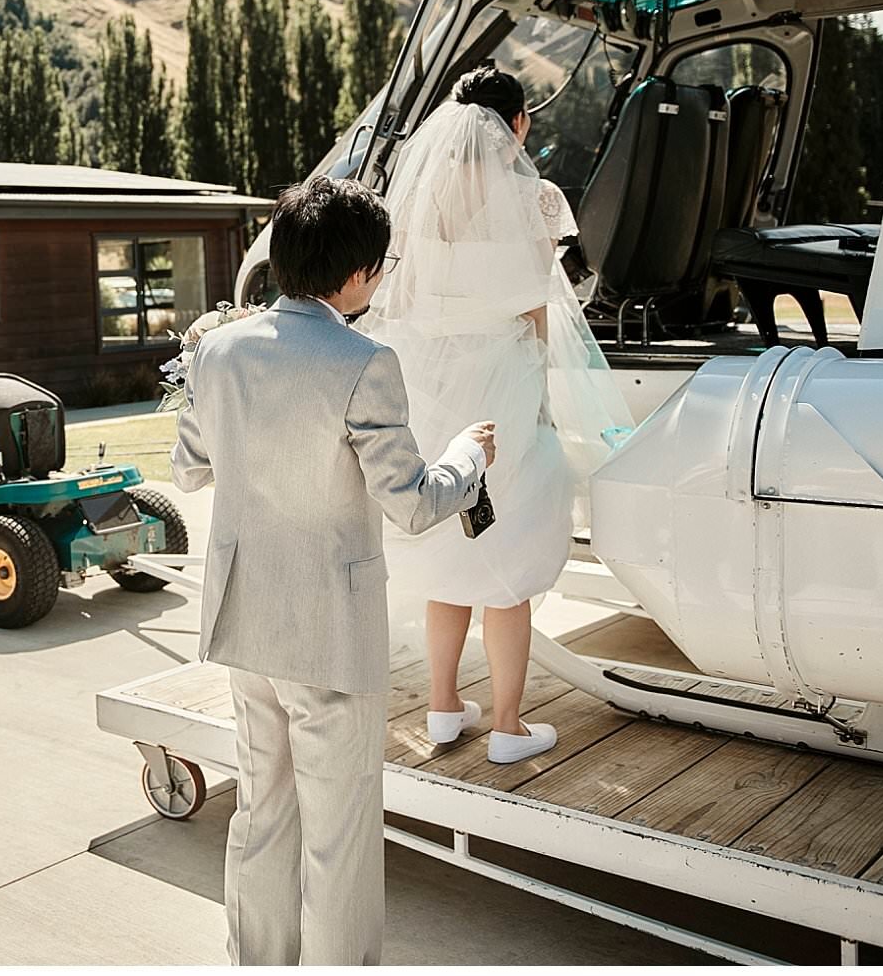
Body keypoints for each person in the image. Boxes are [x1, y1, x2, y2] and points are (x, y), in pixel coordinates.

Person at [170, 176, 496, 966]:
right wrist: (468, 457)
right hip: (328, 633)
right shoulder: (364, 360)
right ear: (354, 276)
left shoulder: (216, 350)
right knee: (341, 840)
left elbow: (186, 470)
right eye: (378, 266)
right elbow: (413, 503)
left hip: (245, 620)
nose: (379, 279)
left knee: (262, 814)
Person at [362, 65, 632, 767]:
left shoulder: (420, 201)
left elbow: (409, 303)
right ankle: (509, 725)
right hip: (504, 393)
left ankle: (444, 706)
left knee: (452, 545)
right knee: (507, 558)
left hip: (434, 394)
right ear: (517, 126)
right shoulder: (535, 199)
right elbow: (536, 307)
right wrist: (539, 396)